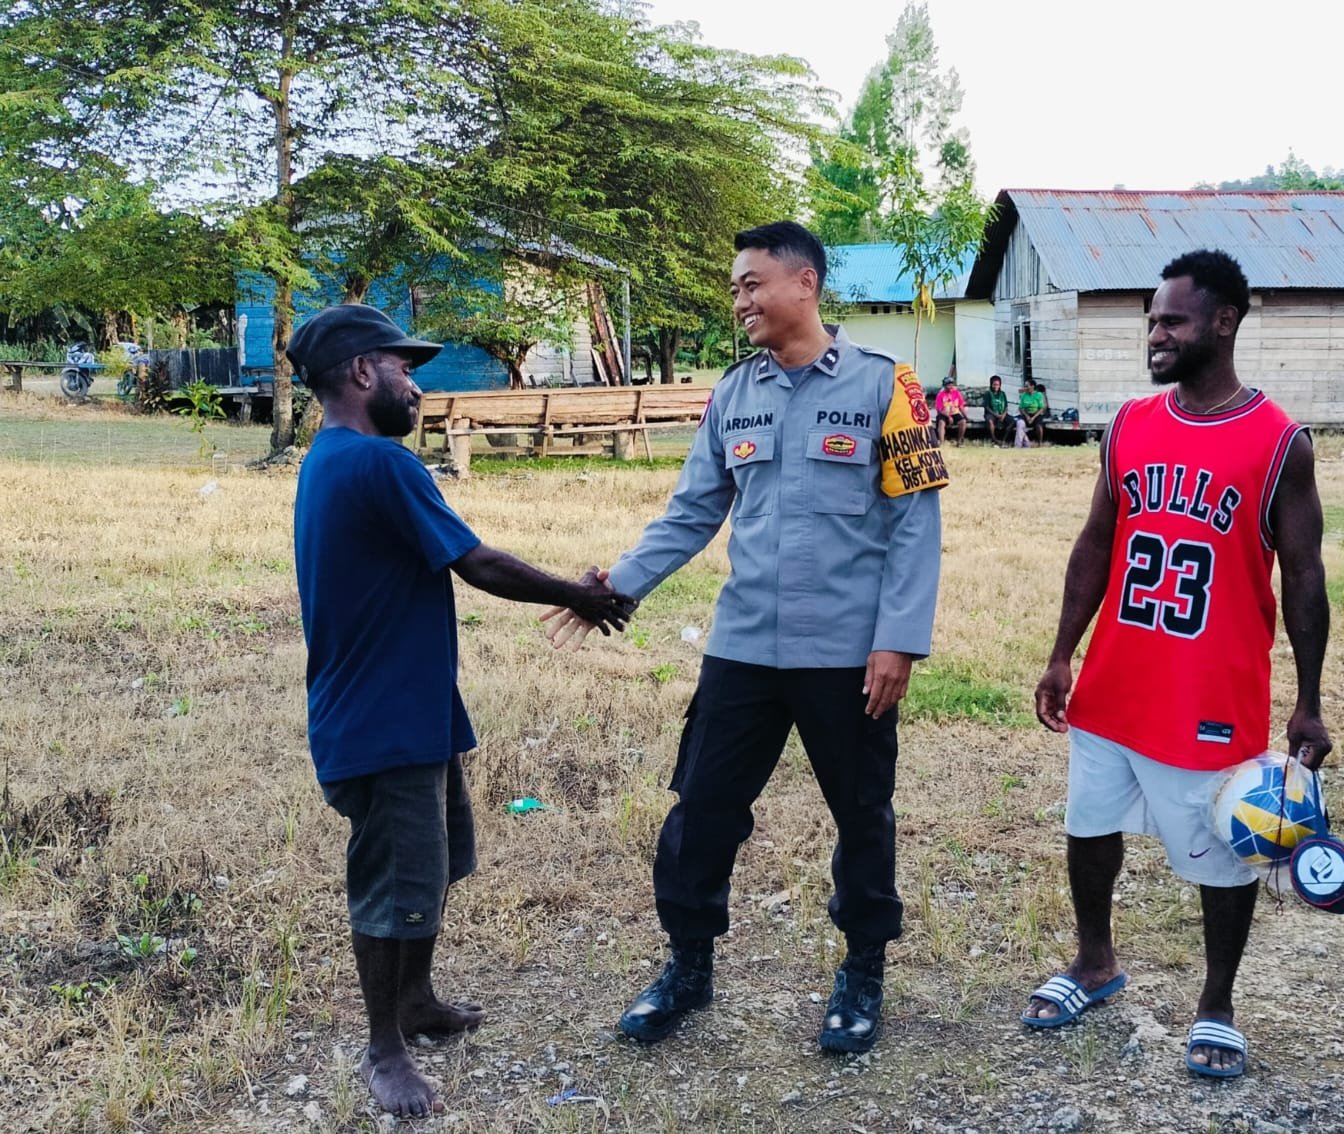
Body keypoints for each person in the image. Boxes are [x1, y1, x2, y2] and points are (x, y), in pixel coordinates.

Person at [541, 221, 946, 1054]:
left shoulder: (888, 386)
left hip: (847, 653)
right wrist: (615, 588)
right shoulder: (734, 394)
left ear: (805, 283)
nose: (740, 301)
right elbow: (691, 512)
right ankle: (688, 967)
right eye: (735, 288)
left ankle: (862, 970)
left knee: (862, 816)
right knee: (701, 810)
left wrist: (899, 641)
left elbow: (915, 523)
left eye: (752, 284)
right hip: (745, 648)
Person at [288, 304, 635, 1117]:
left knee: (431, 866)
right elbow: (476, 563)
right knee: (393, 884)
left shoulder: (329, 458)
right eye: (403, 369)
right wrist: (579, 595)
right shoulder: (380, 463)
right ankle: (384, 1050)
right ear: (362, 372)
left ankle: (415, 1000)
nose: (417, 385)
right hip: (382, 722)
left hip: (404, 708)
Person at [1026, 250, 1332, 1081]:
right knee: (1088, 830)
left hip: (1210, 694)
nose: (1155, 335)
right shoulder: (1130, 424)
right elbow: (1097, 543)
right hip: (1114, 684)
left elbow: (1305, 580)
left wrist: (1308, 700)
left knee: (1223, 853)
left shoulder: (1279, 443)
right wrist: (1061, 654)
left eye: (1172, 321)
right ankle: (1095, 961)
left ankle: (1217, 1004)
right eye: (1152, 321)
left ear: (1223, 323)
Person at [934, 375, 969, 446]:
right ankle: (942, 442)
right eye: (949, 385)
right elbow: (939, 410)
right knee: (941, 423)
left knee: (963, 422)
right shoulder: (940, 395)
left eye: (952, 385)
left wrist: (966, 417)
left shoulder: (956, 393)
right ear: (945, 386)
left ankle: (959, 441)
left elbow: (961, 406)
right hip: (944, 414)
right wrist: (948, 417)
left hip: (954, 413)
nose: (951, 387)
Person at [983, 374, 1012, 445]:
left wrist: (1003, 415)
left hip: (1002, 413)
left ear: (1000, 385)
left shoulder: (1003, 394)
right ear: (991, 385)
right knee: (990, 422)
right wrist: (996, 415)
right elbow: (986, 407)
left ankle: (1004, 439)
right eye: (994, 384)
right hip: (991, 413)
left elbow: (1006, 406)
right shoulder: (988, 393)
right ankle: (994, 439)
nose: (996, 386)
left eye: (998, 385)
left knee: (1012, 421)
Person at [1018, 377, 1048, 445]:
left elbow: (1041, 408)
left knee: (1038, 426)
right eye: (1025, 386)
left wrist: (1033, 418)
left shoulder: (1039, 395)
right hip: (1027, 414)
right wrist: (1027, 416)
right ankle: (1021, 443)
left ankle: (1040, 443)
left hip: (1036, 414)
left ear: (1032, 386)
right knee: (1020, 423)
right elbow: (1021, 408)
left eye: (1027, 386)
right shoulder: (1024, 395)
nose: (1025, 388)